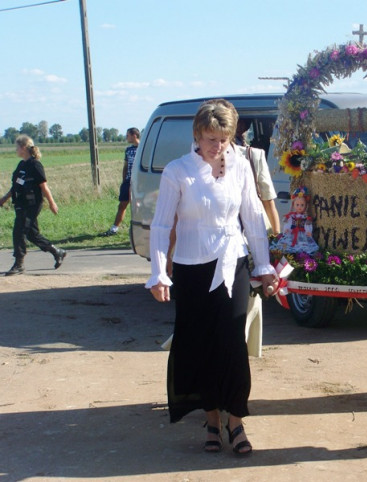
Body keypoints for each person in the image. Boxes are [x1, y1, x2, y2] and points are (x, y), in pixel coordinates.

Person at [146, 99, 278, 455]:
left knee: (233, 342)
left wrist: (264, 268)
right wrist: (159, 272)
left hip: (233, 263)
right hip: (192, 269)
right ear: (197, 135)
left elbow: (252, 219)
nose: (216, 146)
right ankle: (212, 421)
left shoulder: (241, 167)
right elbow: (160, 226)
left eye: (222, 138)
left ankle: (236, 420)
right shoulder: (178, 170)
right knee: (201, 343)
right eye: (209, 138)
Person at [0, 135, 66, 276]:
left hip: (32, 204)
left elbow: (44, 186)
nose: (16, 150)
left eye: (17, 147)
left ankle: (19, 264)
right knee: (32, 234)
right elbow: (16, 186)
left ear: (23, 148)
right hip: (21, 203)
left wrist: (52, 203)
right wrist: (4, 198)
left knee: (19, 231)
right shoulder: (21, 165)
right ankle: (57, 251)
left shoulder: (35, 165)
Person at [234, 119, 280, 234]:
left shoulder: (253, 155)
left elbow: (268, 200)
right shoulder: (198, 162)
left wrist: (276, 238)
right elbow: (268, 200)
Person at [101, 127, 140, 236]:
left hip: (139, 181)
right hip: (128, 181)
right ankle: (114, 228)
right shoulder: (128, 150)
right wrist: (124, 181)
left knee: (137, 206)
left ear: (134, 135)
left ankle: (138, 229)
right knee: (122, 205)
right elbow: (125, 166)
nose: (126, 137)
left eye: (128, 135)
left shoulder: (143, 148)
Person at [270, 186, 319, 254]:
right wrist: (286, 229)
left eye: (302, 205)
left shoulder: (306, 217)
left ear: (306, 206)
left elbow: (307, 224)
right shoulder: (291, 216)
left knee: (303, 246)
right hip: (292, 233)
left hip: (302, 234)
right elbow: (288, 224)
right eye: (297, 205)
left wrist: (308, 231)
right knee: (288, 244)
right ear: (294, 205)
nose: (299, 207)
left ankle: (300, 255)